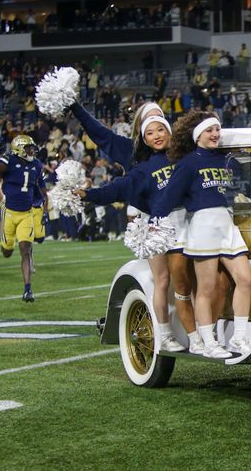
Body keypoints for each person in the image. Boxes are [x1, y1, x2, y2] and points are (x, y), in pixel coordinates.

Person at [75, 114, 196, 353]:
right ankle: (164, 334)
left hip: (191, 223)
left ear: (170, 131)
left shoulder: (185, 156)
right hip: (159, 227)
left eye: (160, 130)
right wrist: (89, 196)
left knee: (190, 282)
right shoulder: (143, 168)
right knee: (162, 281)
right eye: (149, 133)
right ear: (143, 138)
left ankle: (198, 332)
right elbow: (118, 189)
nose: (157, 136)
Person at [156, 112, 251, 359]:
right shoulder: (188, 163)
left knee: (245, 278)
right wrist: (152, 223)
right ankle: (209, 342)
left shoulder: (226, 160)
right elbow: (168, 197)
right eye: (210, 130)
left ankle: (239, 338)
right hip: (202, 224)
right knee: (206, 287)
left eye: (217, 130)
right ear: (198, 134)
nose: (215, 134)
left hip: (227, 223)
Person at [0, 135, 47, 302]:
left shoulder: (36, 164)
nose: (31, 150)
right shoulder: (10, 161)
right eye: (28, 147)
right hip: (9, 213)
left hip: (26, 214)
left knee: (25, 251)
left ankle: (28, 290)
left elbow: (42, 190)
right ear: (19, 148)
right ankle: (6, 245)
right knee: (7, 252)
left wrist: (44, 212)